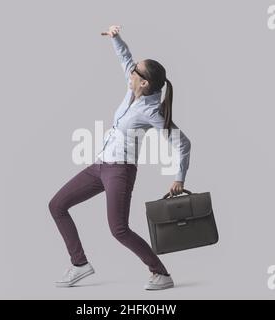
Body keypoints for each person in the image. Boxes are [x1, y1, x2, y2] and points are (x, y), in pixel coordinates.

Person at [49, 25, 191, 290]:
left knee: (118, 229)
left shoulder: (152, 113)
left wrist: (179, 178)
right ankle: (80, 264)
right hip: (100, 166)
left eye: (135, 71)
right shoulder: (134, 90)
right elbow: (125, 59)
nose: (131, 70)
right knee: (57, 205)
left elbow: (183, 144)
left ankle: (161, 274)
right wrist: (116, 38)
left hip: (120, 172)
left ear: (144, 82)